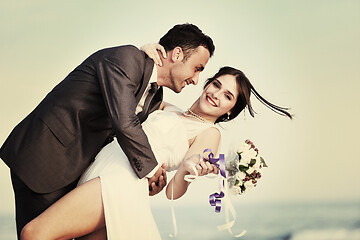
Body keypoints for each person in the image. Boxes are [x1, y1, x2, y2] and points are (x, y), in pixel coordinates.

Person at [20, 58, 293, 239]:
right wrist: (145, 52)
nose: (215, 94)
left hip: (119, 182)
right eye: (216, 84)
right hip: (99, 168)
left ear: (229, 112)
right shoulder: (166, 106)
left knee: (34, 234)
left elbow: (174, 191)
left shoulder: (209, 133)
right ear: (208, 82)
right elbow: (132, 96)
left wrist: (188, 168)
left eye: (227, 96)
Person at [0, 23, 215, 238]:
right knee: (36, 234)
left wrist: (148, 179)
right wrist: (151, 169)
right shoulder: (127, 58)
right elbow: (124, 122)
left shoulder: (155, 97)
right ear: (177, 54)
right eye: (197, 68)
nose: (196, 80)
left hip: (79, 172)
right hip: (47, 156)